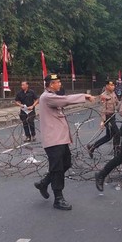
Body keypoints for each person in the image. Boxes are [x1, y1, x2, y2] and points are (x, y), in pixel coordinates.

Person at [33, 74, 94, 210]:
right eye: (57, 82)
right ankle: (58, 199)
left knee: (66, 164)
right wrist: (84, 96)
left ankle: (44, 183)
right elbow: (65, 100)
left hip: (60, 139)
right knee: (57, 169)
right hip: (53, 140)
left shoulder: (52, 96)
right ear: (50, 84)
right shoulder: (47, 97)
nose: (60, 84)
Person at [86, 81, 120, 158]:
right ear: (107, 86)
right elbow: (102, 109)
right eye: (111, 85)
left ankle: (92, 147)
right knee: (117, 133)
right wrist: (102, 121)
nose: (113, 86)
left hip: (112, 116)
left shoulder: (113, 93)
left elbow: (117, 103)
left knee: (109, 136)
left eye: (113, 85)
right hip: (108, 117)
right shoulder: (103, 96)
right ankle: (116, 152)